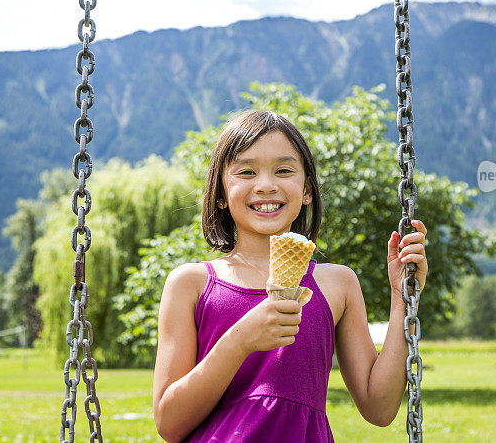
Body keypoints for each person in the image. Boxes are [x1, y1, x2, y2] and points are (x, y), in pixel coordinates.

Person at [152, 110, 429, 442]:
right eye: (246, 172)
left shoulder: (337, 284)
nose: (266, 185)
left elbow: (379, 408)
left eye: (284, 170)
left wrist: (402, 300)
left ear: (307, 189)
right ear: (221, 193)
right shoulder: (191, 284)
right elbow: (169, 424)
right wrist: (239, 342)